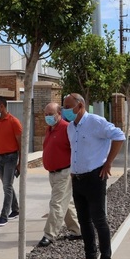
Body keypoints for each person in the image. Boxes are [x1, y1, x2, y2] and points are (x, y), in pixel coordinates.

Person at [63, 93, 124, 259]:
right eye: (64, 107)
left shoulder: (95, 122)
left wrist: (108, 163)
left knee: (99, 220)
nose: (65, 111)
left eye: (68, 107)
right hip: (78, 178)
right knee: (84, 221)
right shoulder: (71, 128)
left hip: (95, 177)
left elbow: (119, 136)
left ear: (80, 106)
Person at [38, 102, 81, 247]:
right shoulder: (49, 129)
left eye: (50, 114)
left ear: (59, 114)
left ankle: (49, 235)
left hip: (64, 172)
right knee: (66, 203)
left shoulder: (67, 128)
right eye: (46, 114)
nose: (48, 117)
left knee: (56, 204)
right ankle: (78, 230)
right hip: (53, 173)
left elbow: (76, 149)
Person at [0, 96, 21, 227]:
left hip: (11, 158)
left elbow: (20, 144)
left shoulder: (14, 122)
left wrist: (20, 163)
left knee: (7, 186)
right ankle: (16, 209)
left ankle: (4, 216)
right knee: (7, 185)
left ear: (1, 106)